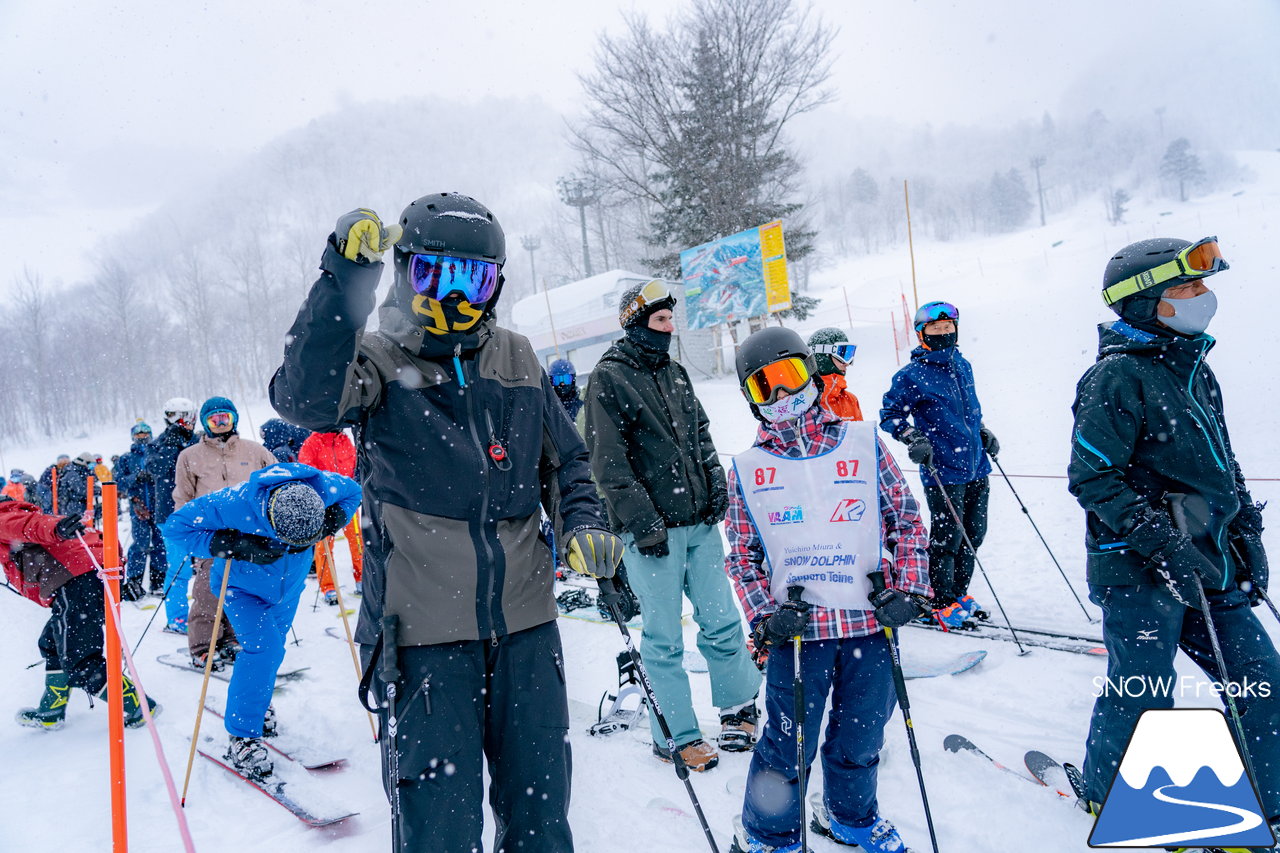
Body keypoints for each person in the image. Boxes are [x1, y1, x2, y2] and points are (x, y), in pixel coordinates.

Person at [269, 194, 622, 853]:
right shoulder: (376, 360)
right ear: (404, 271)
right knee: (440, 831)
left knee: (542, 823)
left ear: (497, 285)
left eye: (476, 280)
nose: (456, 300)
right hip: (424, 643)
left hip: (525, 633)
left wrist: (582, 521)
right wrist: (345, 278)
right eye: (438, 276)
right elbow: (306, 399)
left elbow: (567, 461)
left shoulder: (517, 358)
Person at [1069, 236, 1280, 827]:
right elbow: (1093, 478)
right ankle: (1111, 794)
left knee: (1263, 683)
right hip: (1137, 567)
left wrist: (1246, 534)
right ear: (1146, 302)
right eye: (1187, 288)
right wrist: (1160, 541)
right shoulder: (1115, 377)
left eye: (1201, 285)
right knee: (1143, 690)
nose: (1202, 297)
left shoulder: (1194, 368)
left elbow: (1221, 463)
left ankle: (1269, 799)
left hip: (1208, 560)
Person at [724, 327, 930, 853]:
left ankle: (850, 816)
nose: (780, 396)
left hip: (868, 620)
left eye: (789, 377)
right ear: (750, 399)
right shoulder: (749, 470)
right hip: (798, 633)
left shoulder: (862, 441)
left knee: (861, 737)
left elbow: (904, 518)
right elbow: (742, 553)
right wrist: (764, 618)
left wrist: (908, 586)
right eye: (762, 386)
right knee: (788, 743)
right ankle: (770, 832)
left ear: (811, 375)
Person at [585, 279, 761, 770]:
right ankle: (676, 733)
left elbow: (701, 435)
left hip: (699, 524)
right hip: (651, 536)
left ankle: (738, 706)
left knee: (722, 621)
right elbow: (608, 462)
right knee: (663, 639)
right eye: (661, 320)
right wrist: (644, 524)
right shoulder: (609, 378)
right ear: (636, 322)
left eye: (670, 320)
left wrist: (715, 483)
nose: (669, 328)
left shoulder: (675, 373)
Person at [164, 463, 360, 778]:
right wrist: (234, 545)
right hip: (242, 591)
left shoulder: (324, 487)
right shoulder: (233, 503)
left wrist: (331, 521)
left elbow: (354, 491)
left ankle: (256, 704)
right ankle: (242, 735)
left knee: (271, 653)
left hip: (289, 589)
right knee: (264, 650)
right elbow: (176, 526)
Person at [879, 301, 998, 626]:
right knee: (948, 540)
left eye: (948, 329)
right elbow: (889, 415)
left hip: (976, 466)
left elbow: (969, 411)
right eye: (936, 329)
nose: (944, 334)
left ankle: (957, 595)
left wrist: (983, 432)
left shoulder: (963, 365)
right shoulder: (911, 375)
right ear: (922, 335)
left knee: (975, 534)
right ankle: (938, 601)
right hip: (941, 468)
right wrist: (912, 437)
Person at [3, 496, 160, 730]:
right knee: (52, 642)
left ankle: (138, 705)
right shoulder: (28, 514)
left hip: (75, 580)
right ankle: (52, 709)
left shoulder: (6, 517)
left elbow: (28, 527)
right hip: (89, 576)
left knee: (80, 659)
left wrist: (55, 529)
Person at [172, 396, 277, 669]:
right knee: (208, 590)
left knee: (238, 590)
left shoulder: (255, 451)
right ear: (205, 423)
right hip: (211, 536)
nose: (220, 424)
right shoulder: (189, 456)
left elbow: (276, 483)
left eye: (225, 418)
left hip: (249, 535)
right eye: (214, 419)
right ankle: (203, 646)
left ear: (234, 419)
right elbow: (182, 498)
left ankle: (230, 638)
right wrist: (191, 532)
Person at [148, 397, 198, 632]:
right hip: (171, 514)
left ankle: (213, 619)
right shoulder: (161, 444)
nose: (184, 423)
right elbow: (154, 469)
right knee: (179, 568)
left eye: (187, 417)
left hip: (200, 510)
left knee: (214, 567)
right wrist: (172, 443)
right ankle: (177, 617)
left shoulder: (197, 441)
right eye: (177, 418)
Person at [297, 428, 363, 602]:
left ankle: (362, 578)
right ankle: (328, 587)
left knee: (357, 540)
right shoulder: (312, 442)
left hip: (347, 501)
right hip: (324, 504)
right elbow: (307, 472)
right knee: (324, 547)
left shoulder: (345, 440)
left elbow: (355, 466)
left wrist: (355, 487)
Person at [113, 422, 165, 599]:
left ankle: (158, 581)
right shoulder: (126, 459)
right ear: (133, 437)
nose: (142, 436)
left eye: (145, 433)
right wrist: (137, 478)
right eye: (138, 434)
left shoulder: (157, 453)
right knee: (140, 544)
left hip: (159, 506)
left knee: (161, 543)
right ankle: (134, 582)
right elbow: (118, 482)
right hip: (138, 506)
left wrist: (155, 478)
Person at [807, 327, 863, 420]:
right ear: (823, 357)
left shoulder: (850, 400)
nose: (847, 363)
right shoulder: (803, 404)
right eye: (842, 354)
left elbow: (863, 434)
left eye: (849, 354)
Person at [548, 357, 584, 427]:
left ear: (573, 379)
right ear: (551, 382)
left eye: (566, 379)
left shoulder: (582, 403)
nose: (562, 384)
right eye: (557, 380)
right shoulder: (549, 406)